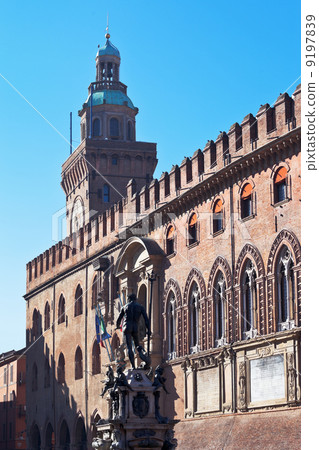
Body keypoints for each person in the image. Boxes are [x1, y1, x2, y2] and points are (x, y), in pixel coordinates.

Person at [116, 293, 151, 369]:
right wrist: (149, 329)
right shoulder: (140, 307)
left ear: (129, 299)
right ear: (135, 299)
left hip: (127, 326)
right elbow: (146, 320)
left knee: (129, 347)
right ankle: (143, 356)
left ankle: (133, 366)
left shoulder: (125, 307)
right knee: (137, 345)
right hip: (135, 327)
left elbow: (118, 319)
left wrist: (117, 326)